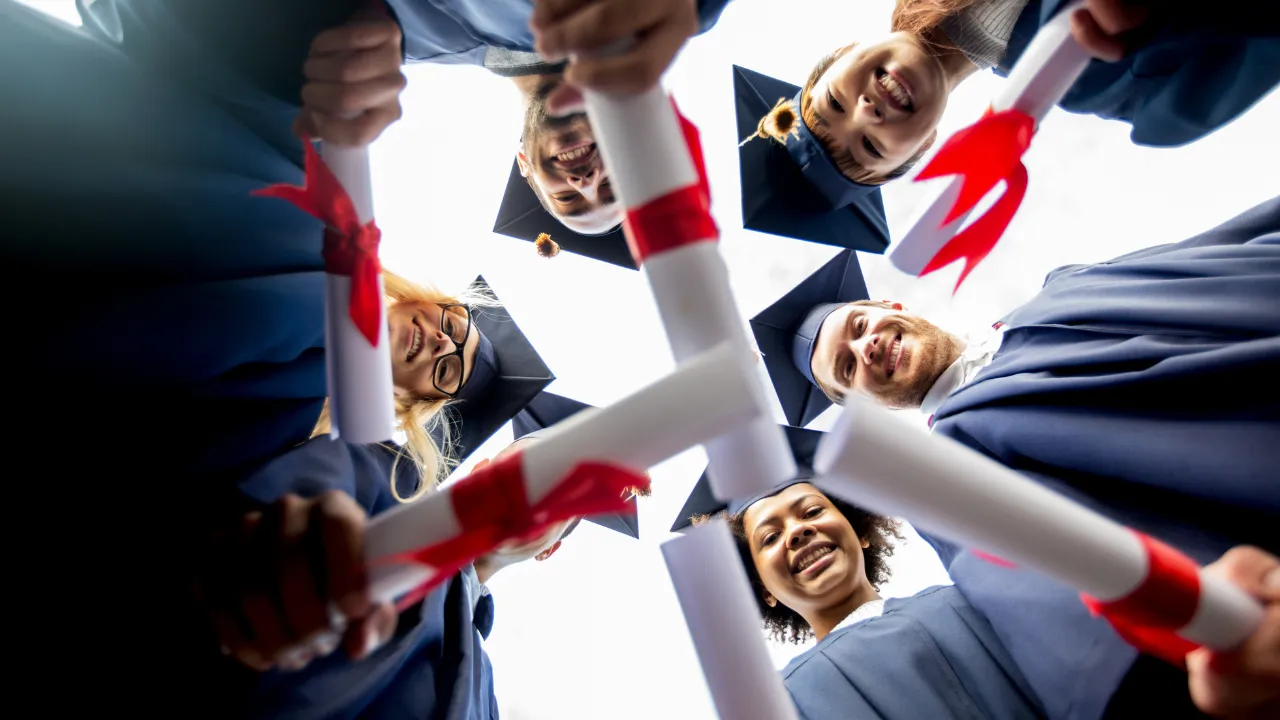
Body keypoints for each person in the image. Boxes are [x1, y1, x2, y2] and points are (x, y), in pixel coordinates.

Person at [754, 197, 1280, 716]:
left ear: (894, 309)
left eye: (859, 326)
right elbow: (1057, 603)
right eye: (847, 369)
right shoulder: (951, 477)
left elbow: (1219, 253)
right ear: (860, 405)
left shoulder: (1065, 289)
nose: (865, 347)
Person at [77, 0, 734, 266]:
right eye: (613, 183)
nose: (587, 180)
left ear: (528, 168)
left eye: (571, 200)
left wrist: (319, 23)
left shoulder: (377, 52)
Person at [192, 392, 646, 716]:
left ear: (550, 551)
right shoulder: (385, 480)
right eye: (531, 467)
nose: (538, 491)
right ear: (481, 472)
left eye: (563, 501)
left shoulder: (486, 699)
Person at [672, 425, 1046, 719]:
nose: (798, 532)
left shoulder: (973, 601)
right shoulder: (782, 703)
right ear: (762, 589)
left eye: (813, 512)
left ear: (861, 531)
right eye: (770, 537)